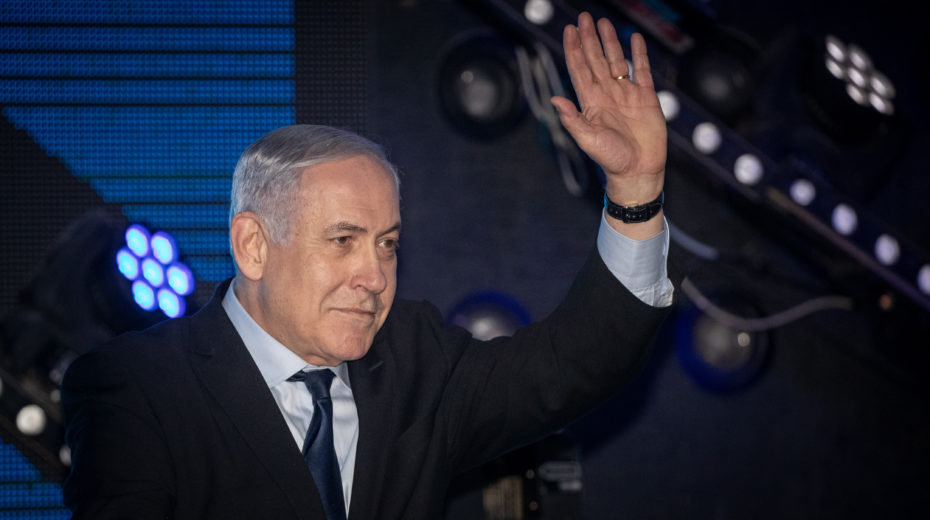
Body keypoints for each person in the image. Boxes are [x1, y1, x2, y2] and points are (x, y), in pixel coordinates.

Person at [62, 12, 673, 519]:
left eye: (387, 244)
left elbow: (574, 364)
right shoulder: (139, 387)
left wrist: (636, 188)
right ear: (253, 246)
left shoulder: (415, 358)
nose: (376, 277)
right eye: (343, 240)